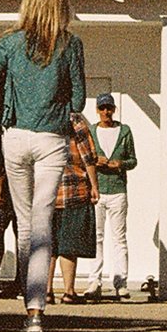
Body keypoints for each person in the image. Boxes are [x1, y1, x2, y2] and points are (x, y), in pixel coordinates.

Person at [0, 0, 87, 332]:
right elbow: (79, 100)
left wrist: (5, 105)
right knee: (43, 222)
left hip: (16, 136)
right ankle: (36, 309)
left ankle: (29, 299)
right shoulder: (70, 45)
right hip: (52, 139)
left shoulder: (10, 43)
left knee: (24, 224)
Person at [79, 92, 136, 299]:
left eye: (109, 108)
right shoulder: (91, 131)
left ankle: (121, 282)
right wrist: (97, 161)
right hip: (97, 190)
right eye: (102, 108)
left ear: (114, 109)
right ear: (97, 110)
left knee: (119, 238)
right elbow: (85, 157)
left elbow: (133, 160)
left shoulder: (124, 131)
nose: (106, 112)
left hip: (118, 190)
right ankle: (94, 281)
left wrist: (119, 164)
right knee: (96, 238)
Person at [47, 113, 99, 304]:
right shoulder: (74, 119)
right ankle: (69, 291)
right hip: (74, 188)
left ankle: (46, 291)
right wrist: (94, 186)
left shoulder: (42, 116)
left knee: (49, 244)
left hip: (47, 189)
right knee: (68, 244)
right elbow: (88, 156)